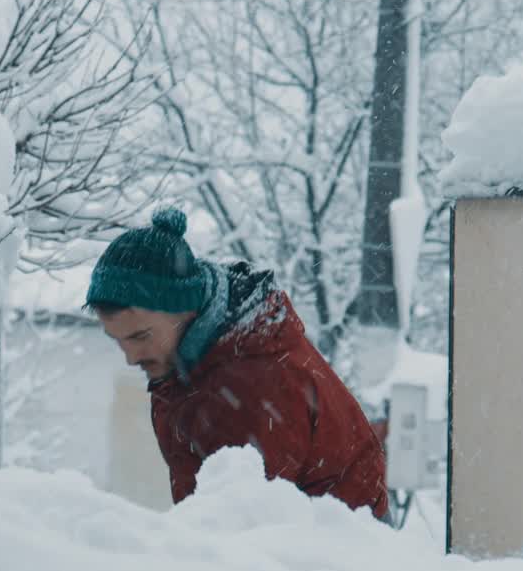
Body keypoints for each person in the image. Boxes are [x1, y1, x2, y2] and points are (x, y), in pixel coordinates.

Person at [85, 207, 389, 520]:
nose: (131, 357)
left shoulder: (250, 385)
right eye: (118, 340)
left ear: (183, 310)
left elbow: (243, 536)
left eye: (140, 336)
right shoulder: (200, 360)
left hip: (333, 558)